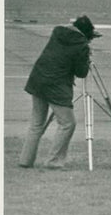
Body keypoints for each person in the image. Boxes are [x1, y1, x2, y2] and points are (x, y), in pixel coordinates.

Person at [18, 15, 101, 169]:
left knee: (36, 124)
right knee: (68, 124)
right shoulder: (81, 44)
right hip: (56, 86)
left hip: (38, 80)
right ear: (86, 33)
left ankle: (25, 160)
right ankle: (54, 161)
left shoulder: (58, 33)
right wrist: (86, 57)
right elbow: (81, 73)